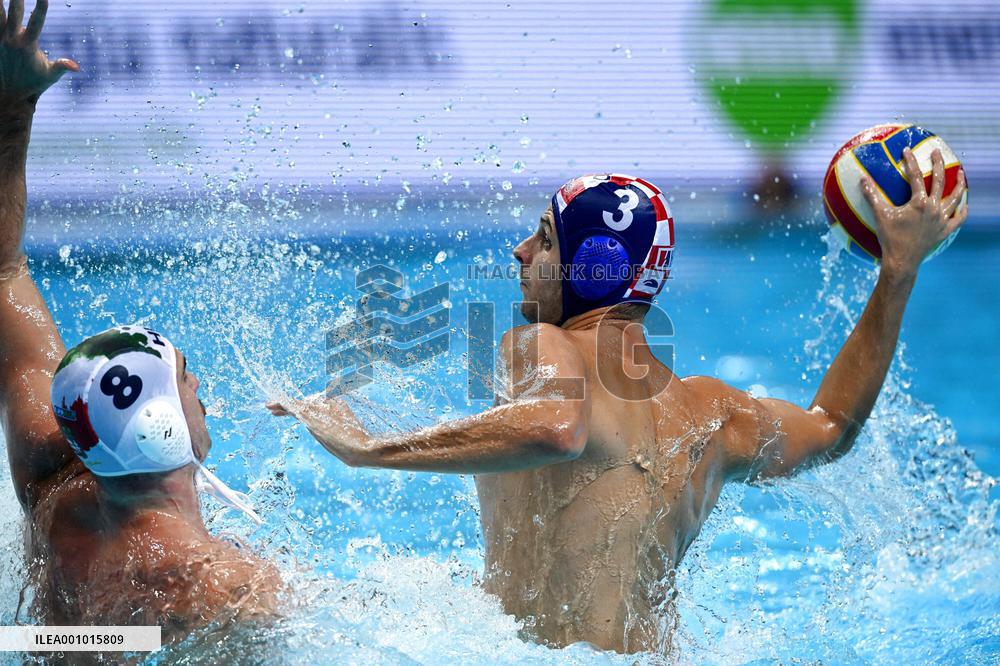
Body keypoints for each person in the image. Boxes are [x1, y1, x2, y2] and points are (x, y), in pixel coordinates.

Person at [271, 157, 967, 653]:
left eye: (544, 238)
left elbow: (556, 426)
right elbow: (832, 427)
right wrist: (897, 273)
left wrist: (367, 450)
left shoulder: (537, 342)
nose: (520, 251)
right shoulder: (710, 414)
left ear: (591, 264)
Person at [0, 0, 279, 642]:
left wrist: (13, 112)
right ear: (160, 423)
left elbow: (3, 269)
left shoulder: (51, 486)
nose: (200, 390)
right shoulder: (228, 588)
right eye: (185, 379)